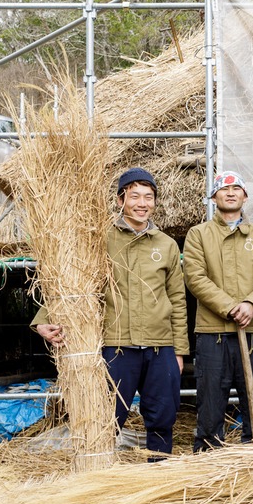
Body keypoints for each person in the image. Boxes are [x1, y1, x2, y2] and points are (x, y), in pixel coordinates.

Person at [34, 167, 188, 456]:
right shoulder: (100, 239)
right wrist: (43, 320)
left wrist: (178, 350)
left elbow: (177, 299)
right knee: (107, 418)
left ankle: (160, 472)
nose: (143, 203)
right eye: (136, 196)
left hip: (159, 347)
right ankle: (101, 473)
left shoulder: (166, 245)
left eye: (149, 197)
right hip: (116, 346)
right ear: (121, 200)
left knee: (163, 418)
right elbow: (70, 284)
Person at [183, 170, 253, 449]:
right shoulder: (198, 235)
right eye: (223, 189)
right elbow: (195, 277)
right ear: (214, 197)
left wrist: (251, 304)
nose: (230, 193)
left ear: (245, 196)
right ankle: (209, 460)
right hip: (212, 333)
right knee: (211, 402)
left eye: (236, 188)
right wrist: (230, 308)